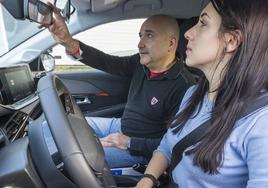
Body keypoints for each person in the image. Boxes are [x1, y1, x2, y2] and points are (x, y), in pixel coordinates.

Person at [40, 7, 196, 168]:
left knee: (73, 158)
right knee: (55, 124)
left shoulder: (184, 87)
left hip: (140, 152)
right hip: (119, 126)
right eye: (140, 36)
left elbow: (174, 144)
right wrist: (68, 42)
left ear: (171, 43)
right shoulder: (140, 63)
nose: (140, 44)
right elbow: (107, 62)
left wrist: (129, 142)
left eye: (149, 36)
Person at [136, 0, 268, 187]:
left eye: (203, 23)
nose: (188, 33)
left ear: (231, 40)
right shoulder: (193, 94)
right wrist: (147, 178)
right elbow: (168, 143)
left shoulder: (261, 122)